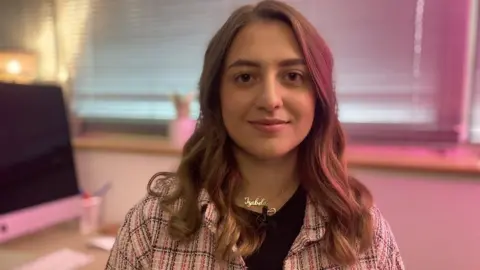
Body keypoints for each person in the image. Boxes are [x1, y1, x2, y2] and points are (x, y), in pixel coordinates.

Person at [106, 1, 404, 269]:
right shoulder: (152, 225)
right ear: (216, 96)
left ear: (319, 97)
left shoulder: (361, 229)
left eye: (293, 76)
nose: (270, 99)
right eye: (245, 77)